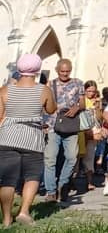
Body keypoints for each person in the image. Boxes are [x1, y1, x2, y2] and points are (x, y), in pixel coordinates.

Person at [0, 54, 56, 226]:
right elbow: (51, 109)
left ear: (19, 69)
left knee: (7, 179)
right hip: (32, 138)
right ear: (37, 70)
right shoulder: (43, 90)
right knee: (32, 176)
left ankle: (7, 218)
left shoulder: (5, 90)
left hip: (8, 137)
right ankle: (24, 211)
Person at [43, 58, 85, 202]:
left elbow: (83, 103)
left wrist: (77, 108)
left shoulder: (78, 83)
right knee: (50, 159)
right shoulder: (50, 84)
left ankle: (63, 185)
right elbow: (45, 105)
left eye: (67, 71)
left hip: (71, 125)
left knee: (72, 157)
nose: (65, 74)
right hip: (53, 125)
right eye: (62, 71)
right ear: (57, 70)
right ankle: (50, 191)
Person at [75, 81, 103, 191]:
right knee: (76, 156)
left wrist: (97, 107)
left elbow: (100, 118)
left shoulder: (97, 101)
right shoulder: (81, 100)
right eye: (89, 91)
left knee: (90, 156)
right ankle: (72, 179)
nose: (91, 93)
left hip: (93, 131)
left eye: (93, 91)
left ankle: (90, 181)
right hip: (80, 130)